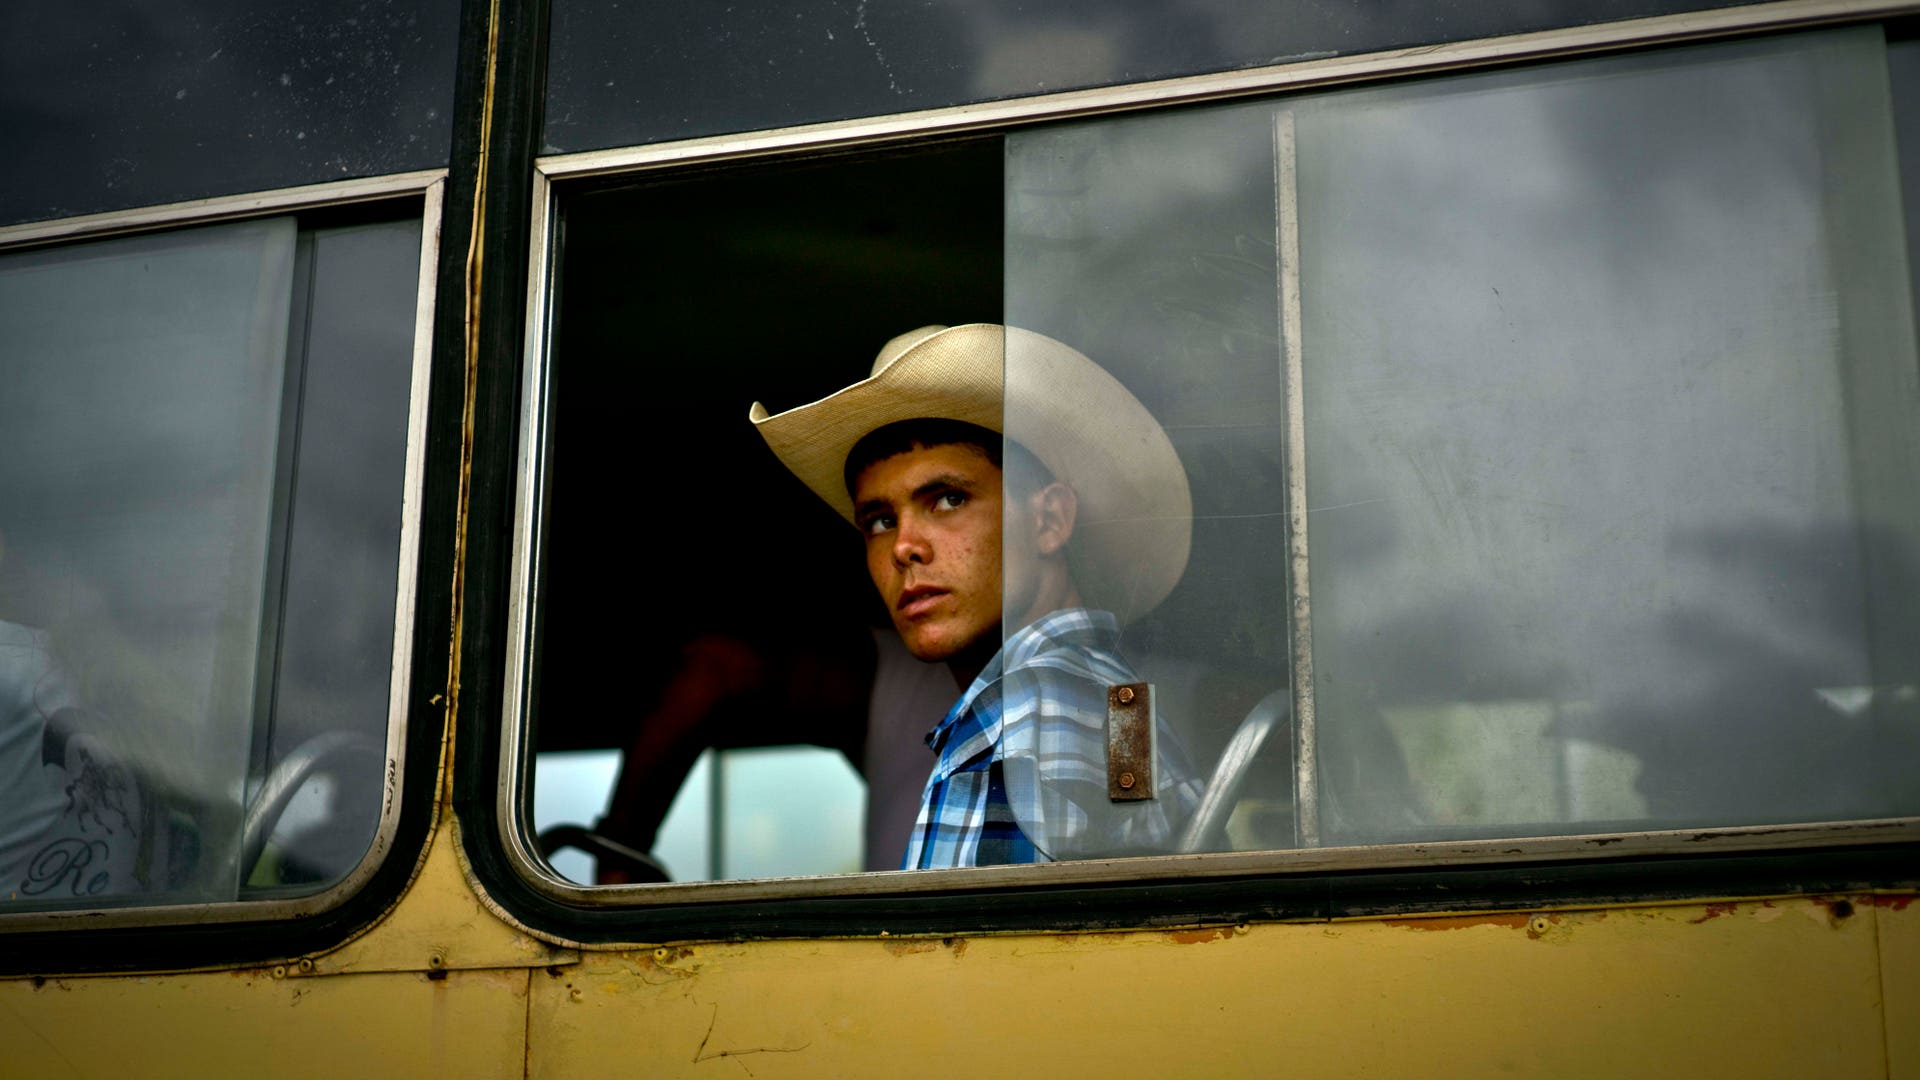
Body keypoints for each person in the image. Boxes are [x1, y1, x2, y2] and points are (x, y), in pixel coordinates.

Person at [750, 324, 1201, 869]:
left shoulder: (1032, 707)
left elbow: (966, 956)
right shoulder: (1109, 697)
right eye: (880, 520)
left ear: (1050, 520)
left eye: (947, 499)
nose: (905, 547)